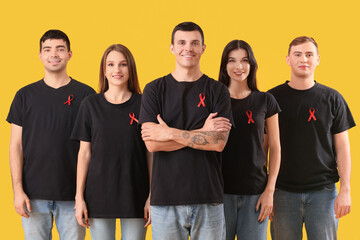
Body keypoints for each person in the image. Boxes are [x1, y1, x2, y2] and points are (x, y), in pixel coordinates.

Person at [139, 22, 233, 240]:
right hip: (165, 199)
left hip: (208, 197)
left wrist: (170, 133)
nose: (187, 48)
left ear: (203, 48)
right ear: (172, 47)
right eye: (181, 42)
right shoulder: (154, 89)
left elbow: (218, 143)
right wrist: (202, 132)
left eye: (194, 43)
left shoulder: (217, 90)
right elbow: (152, 143)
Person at [7, 29, 95, 240]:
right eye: (47, 49)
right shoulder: (24, 96)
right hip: (33, 197)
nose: (53, 54)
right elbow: (15, 146)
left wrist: (83, 196)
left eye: (60, 49)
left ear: (69, 54)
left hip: (74, 197)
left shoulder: (87, 95)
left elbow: (92, 148)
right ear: (40, 55)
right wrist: (18, 191)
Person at [268, 36, 355, 240]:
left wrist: (345, 190)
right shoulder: (271, 99)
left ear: (318, 60)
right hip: (282, 193)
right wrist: (266, 192)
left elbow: (342, 148)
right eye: (297, 54)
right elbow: (263, 148)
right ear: (288, 59)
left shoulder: (333, 98)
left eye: (309, 55)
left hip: (323, 193)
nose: (303, 59)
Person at [71, 44, 152, 240]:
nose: (117, 70)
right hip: (98, 196)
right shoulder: (90, 105)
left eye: (123, 64)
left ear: (130, 69)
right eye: (111, 64)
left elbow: (151, 153)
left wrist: (152, 195)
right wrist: (79, 197)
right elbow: (84, 154)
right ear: (104, 70)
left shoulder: (144, 104)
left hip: (135, 194)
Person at [218, 40, 281, 240]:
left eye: (244, 60)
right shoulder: (214, 100)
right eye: (232, 61)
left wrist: (270, 191)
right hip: (219, 194)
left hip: (256, 193)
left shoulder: (265, 100)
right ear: (224, 66)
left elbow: (276, 147)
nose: (239, 66)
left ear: (252, 64)